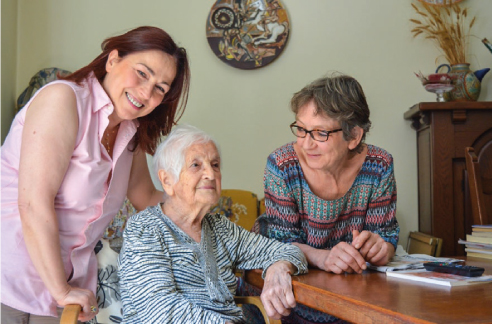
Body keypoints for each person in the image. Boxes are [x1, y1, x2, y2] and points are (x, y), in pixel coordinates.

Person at [1, 26, 190, 323]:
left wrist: (199, 204)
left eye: (160, 88)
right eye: (142, 73)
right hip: (10, 277)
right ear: (113, 59)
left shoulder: (130, 134)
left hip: (66, 288)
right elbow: (33, 204)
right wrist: (61, 290)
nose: (146, 92)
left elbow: (148, 198)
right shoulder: (64, 100)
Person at [248, 73, 400, 323]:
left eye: (320, 133)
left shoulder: (379, 166)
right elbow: (280, 244)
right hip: (285, 297)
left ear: (354, 137)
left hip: (348, 296)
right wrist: (324, 257)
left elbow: (386, 235)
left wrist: (381, 248)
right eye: (301, 129)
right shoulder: (282, 165)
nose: (306, 144)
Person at [118, 125, 308, 323]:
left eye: (215, 164)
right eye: (196, 165)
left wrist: (278, 268)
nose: (211, 174)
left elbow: (289, 251)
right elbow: (159, 311)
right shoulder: (145, 228)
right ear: (167, 181)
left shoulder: (220, 228)